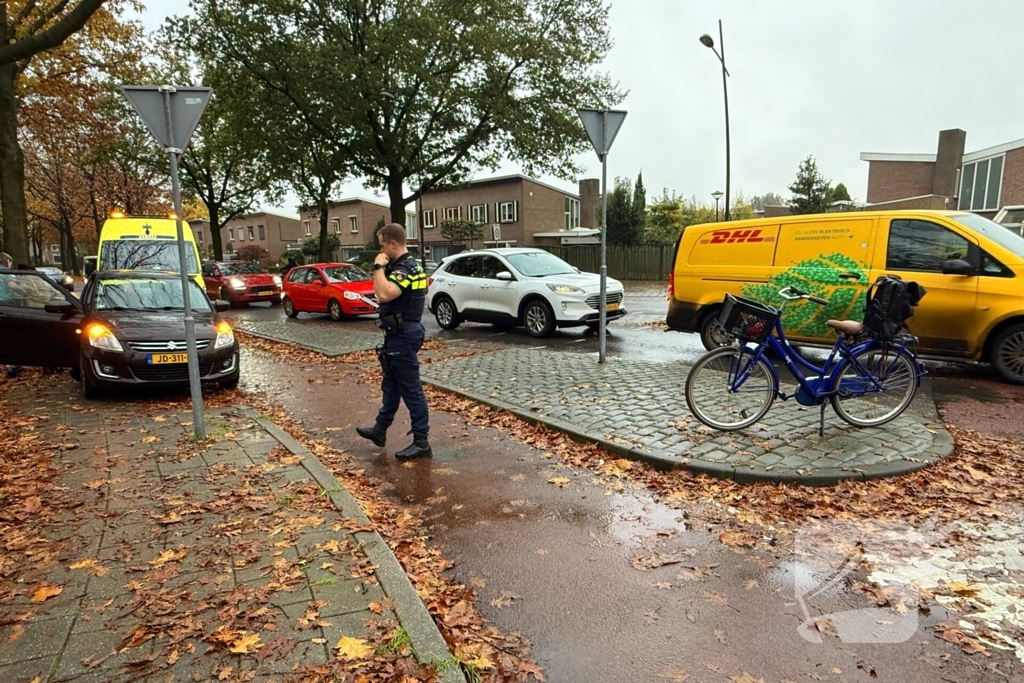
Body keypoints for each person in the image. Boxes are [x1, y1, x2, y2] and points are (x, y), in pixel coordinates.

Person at [356, 223, 432, 459]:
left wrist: (378, 266)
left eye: (382, 246)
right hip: (400, 333)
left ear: (393, 244)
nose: (381, 251)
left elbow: (386, 293)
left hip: (403, 334)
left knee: (411, 390)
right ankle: (380, 430)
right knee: (392, 384)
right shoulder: (409, 265)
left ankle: (422, 442)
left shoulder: (405, 268)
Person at [0, 253, 23, 378]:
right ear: (7, 261)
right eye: (10, 261)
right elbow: (12, 285)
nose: (11, 264)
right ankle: (12, 366)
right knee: (11, 335)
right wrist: (24, 291)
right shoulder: (6, 273)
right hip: (6, 304)